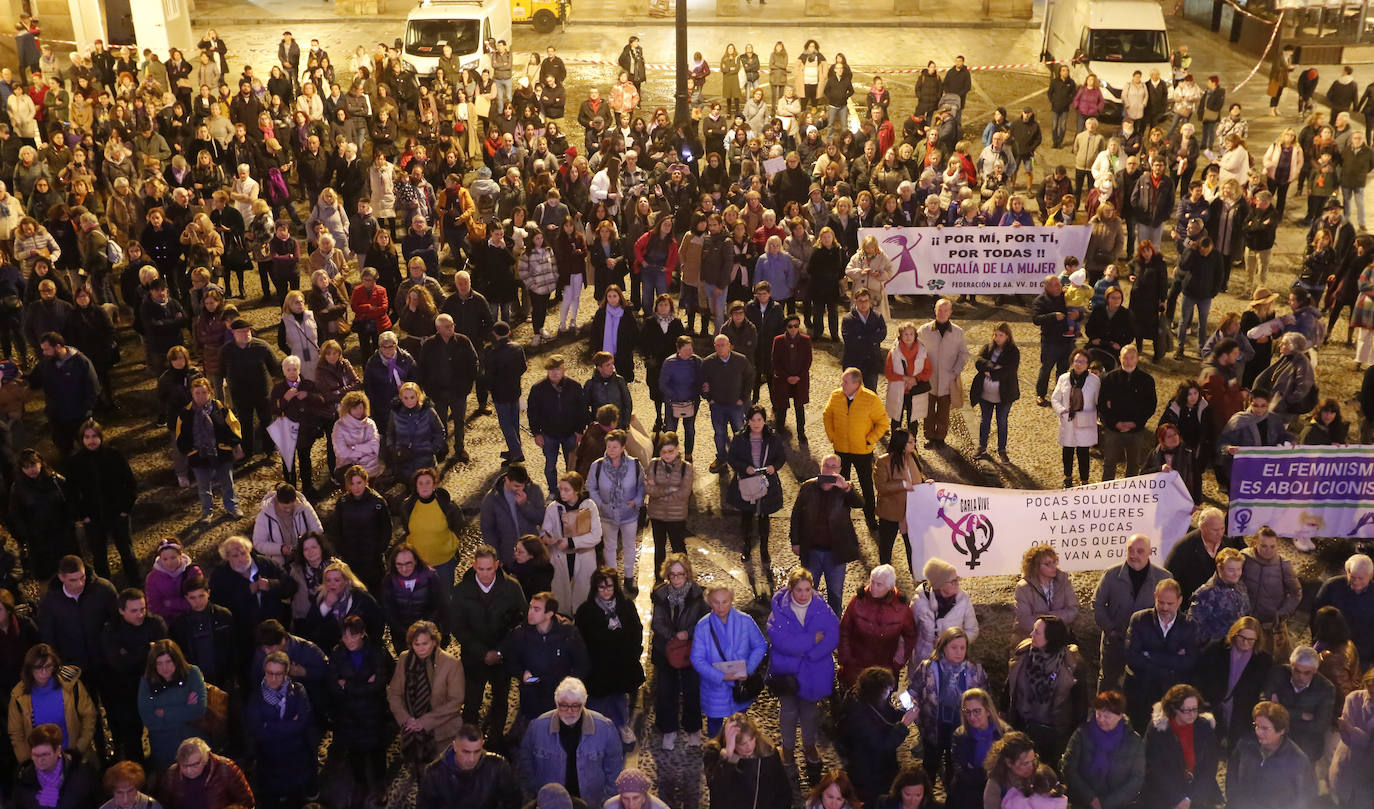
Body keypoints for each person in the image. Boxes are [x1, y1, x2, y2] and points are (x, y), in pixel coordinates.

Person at [766, 568, 839, 779]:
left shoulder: (823, 609)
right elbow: (780, 641)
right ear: (791, 589)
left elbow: (832, 636)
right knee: (788, 712)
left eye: (807, 589)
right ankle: (787, 748)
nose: (803, 594)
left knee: (809, 712)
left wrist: (808, 653)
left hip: (812, 671)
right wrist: (811, 642)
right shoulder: (779, 610)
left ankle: (808, 746)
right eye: (799, 590)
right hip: (787, 673)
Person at [450, 544, 527, 740]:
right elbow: (458, 627)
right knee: (472, 703)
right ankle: (470, 742)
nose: (485, 574)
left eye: (489, 569)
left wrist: (500, 652)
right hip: (473, 659)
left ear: (497, 565)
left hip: (503, 659)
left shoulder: (512, 588)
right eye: (481, 569)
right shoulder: (461, 591)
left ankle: (496, 741)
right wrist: (482, 653)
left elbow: (521, 623)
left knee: (501, 701)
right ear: (474, 566)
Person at [516, 676, 624, 806]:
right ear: (556, 703)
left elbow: (614, 768)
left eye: (575, 706)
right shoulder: (537, 728)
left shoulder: (605, 728)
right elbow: (526, 763)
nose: (569, 711)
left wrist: (606, 802)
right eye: (564, 706)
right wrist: (536, 795)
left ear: (584, 704)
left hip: (591, 803)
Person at [325, 614, 395, 798]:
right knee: (355, 752)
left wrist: (347, 685)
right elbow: (332, 684)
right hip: (348, 714)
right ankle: (360, 784)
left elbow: (379, 683)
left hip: (374, 713)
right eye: (345, 636)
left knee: (378, 751)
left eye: (353, 635)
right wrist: (364, 684)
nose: (349, 640)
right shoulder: (337, 653)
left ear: (362, 634)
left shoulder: (376, 652)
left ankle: (380, 783)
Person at [573, 567, 644, 746]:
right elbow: (582, 639)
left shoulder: (626, 606)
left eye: (609, 587)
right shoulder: (586, 611)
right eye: (602, 587)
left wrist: (633, 652)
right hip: (598, 666)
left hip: (622, 664)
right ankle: (595, 731)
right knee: (597, 703)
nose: (606, 591)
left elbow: (636, 631)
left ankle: (622, 726)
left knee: (620, 699)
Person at [500, 590, 590, 727]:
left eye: (536, 609)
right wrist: (521, 674)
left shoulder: (567, 633)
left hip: (559, 696)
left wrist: (569, 685)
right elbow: (510, 661)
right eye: (530, 607)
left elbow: (582, 663)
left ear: (549, 614)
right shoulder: (521, 634)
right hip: (532, 695)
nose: (530, 612)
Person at [1092, 534, 1170, 692]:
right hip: (1114, 643)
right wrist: (1110, 629)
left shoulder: (1164, 578)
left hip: (1146, 645)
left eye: (1140, 551)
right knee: (1108, 682)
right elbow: (1097, 603)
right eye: (1130, 550)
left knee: (1141, 686)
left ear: (1150, 552)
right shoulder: (1111, 574)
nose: (1134, 555)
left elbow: (1169, 610)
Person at [1007, 615, 1086, 766]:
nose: (1031, 634)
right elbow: (1010, 686)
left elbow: (1080, 706)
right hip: (1023, 727)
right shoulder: (1023, 655)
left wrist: (1076, 737)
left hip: (1055, 735)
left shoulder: (1072, 665)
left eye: (1037, 632)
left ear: (1051, 638)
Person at [692, 582, 768, 737]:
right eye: (716, 602)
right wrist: (720, 676)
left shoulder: (745, 621)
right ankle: (716, 755)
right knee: (714, 726)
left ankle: (738, 755)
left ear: (731, 600)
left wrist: (748, 669)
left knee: (740, 725)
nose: (721, 607)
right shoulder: (703, 626)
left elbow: (760, 645)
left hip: (739, 684)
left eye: (725, 602)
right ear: (709, 602)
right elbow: (697, 658)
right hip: (714, 687)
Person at [386, 619, 465, 768]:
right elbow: (394, 693)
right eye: (416, 644)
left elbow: (455, 701)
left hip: (442, 734)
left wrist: (424, 721)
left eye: (425, 644)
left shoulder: (451, 664)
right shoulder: (404, 659)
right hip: (411, 732)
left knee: (442, 773)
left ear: (434, 642)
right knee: (419, 773)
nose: (421, 649)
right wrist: (406, 719)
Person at [1124, 578, 1200, 731]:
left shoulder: (1189, 625)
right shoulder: (1139, 619)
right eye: (1161, 602)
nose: (1164, 607)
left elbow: (1191, 661)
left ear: (1179, 601)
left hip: (1172, 694)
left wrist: (1151, 655)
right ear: (1155, 597)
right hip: (1142, 691)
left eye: (1170, 603)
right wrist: (1173, 661)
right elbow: (1132, 657)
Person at [650, 553, 707, 751]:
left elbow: (704, 622)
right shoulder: (660, 594)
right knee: (666, 691)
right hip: (666, 650)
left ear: (687, 574)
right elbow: (656, 622)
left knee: (692, 690)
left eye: (680, 574)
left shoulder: (698, 595)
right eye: (672, 575)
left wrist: (687, 633)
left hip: (691, 650)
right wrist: (673, 636)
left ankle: (693, 728)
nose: (676, 579)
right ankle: (669, 729)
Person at [7, 643, 97, 761]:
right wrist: (28, 761)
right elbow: (16, 733)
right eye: (38, 667)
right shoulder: (19, 695)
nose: (44, 672)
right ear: (30, 669)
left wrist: (78, 749)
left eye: (48, 666)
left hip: (73, 758)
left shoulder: (71, 686)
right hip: (40, 762)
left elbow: (89, 716)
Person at [725, 405, 786, 576]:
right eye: (753, 420)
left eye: (759, 419)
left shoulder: (772, 438)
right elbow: (732, 459)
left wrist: (774, 466)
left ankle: (764, 549)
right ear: (748, 421)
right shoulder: (740, 438)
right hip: (747, 482)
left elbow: (781, 457)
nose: (756, 423)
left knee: (764, 517)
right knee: (746, 516)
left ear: (764, 420)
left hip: (767, 482)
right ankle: (747, 546)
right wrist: (745, 468)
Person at [823, 367, 888, 529]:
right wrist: (833, 436)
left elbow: (883, 422)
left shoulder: (871, 399)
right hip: (841, 449)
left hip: (862, 451)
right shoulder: (836, 395)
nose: (841, 384)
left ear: (856, 383)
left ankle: (871, 519)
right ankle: (840, 517)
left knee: (866, 485)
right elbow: (827, 415)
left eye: (845, 382)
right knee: (839, 484)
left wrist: (869, 440)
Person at [1060, 690, 1145, 809]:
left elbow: (1137, 778)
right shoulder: (1082, 733)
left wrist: (1107, 803)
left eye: (1107, 716)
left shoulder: (1133, 741)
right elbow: (1069, 767)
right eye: (1098, 714)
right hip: (1081, 802)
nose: (1101, 719)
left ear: (1120, 716)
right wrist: (1090, 798)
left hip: (1117, 805)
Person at [837, 564, 917, 688]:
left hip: (885, 668)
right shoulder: (858, 601)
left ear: (890, 587)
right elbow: (844, 630)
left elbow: (909, 637)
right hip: (856, 665)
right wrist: (846, 659)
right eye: (872, 582)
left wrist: (897, 662)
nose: (873, 587)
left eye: (879, 584)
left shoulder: (902, 609)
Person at [1225, 702, 1317, 809]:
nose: (1258, 732)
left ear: (1281, 730)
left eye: (1265, 728)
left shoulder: (1297, 760)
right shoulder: (1245, 744)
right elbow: (1232, 773)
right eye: (1256, 726)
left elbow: (1304, 797)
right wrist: (1233, 800)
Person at [586, 430, 644, 592]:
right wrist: (601, 504)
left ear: (623, 447)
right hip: (607, 515)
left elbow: (641, 486)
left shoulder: (634, 465)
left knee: (629, 546)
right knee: (609, 546)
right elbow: (590, 487)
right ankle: (613, 579)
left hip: (629, 514)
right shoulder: (597, 466)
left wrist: (637, 501)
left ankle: (628, 577)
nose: (610, 450)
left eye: (615, 447)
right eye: (609, 446)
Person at [136, 639, 207, 770]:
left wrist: (164, 712)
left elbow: (199, 710)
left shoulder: (192, 673)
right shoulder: (147, 681)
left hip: (193, 740)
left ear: (177, 660)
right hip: (163, 744)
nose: (165, 668)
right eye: (159, 663)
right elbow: (148, 719)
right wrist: (184, 711)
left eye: (169, 661)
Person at [415, 724, 522, 809]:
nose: (472, 759)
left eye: (477, 751)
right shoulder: (434, 773)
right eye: (466, 752)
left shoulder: (497, 766)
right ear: (455, 746)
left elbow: (513, 800)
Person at [1262, 645, 1335, 762]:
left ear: (1315, 671)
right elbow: (1264, 709)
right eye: (1297, 671)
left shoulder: (1325, 688)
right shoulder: (1278, 674)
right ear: (1291, 666)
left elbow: (1320, 726)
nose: (1301, 677)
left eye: (1307, 673)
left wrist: (1280, 713)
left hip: (1305, 748)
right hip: (1275, 742)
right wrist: (1299, 714)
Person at [910, 557, 980, 663]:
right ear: (939, 584)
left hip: (952, 662)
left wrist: (953, 642)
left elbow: (973, 630)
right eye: (952, 581)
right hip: (924, 660)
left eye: (957, 579)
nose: (957, 584)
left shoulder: (963, 600)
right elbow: (909, 631)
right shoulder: (920, 601)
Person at [11, 724, 98, 809]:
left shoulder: (82, 773)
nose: (40, 760)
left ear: (58, 751)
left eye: (45, 754)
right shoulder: (24, 780)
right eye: (35, 755)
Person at [156, 736, 254, 809]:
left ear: (205, 758)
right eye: (184, 766)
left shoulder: (225, 768)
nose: (189, 771)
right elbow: (162, 805)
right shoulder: (172, 774)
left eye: (195, 764)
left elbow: (246, 802)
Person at [1012, 546, 1080, 646]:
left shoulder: (1064, 581)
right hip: (1031, 640)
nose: (1054, 567)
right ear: (1035, 567)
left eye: (1054, 562)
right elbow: (1024, 619)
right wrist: (1055, 621)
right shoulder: (1023, 588)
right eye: (1048, 564)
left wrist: (1042, 618)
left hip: (1060, 639)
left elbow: (1073, 610)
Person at [1314, 553, 1374, 667]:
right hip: (1330, 647)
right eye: (1352, 576)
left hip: (1362, 653)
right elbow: (1317, 616)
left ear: (1370, 576)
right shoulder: (1331, 587)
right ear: (1347, 572)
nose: (1356, 581)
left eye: (1361, 578)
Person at [1051, 349, 1100, 487]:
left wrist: (1096, 416)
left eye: (1083, 361)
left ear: (1087, 364)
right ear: (1072, 362)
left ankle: (1084, 479)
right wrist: (1062, 411)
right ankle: (1068, 476)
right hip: (1069, 420)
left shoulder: (1094, 380)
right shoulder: (1064, 378)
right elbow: (1055, 398)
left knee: (1083, 452)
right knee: (1067, 450)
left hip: (1085, 420)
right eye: (1077, 361)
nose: (1079, 364)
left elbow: (1098, 401)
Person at [1189, 548, 1252, 644]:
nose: (1236, 574)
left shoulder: (1241, 586)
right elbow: (1195, 630)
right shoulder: (1205, 594)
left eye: (1239, 569)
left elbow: (1247, 614)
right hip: (1215, 651)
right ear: (1219, 569)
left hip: (1239, 646)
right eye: (1231, 570)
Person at [1330, 669, 1374, 808]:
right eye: (1370, 691)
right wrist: (1365, 738)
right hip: (1346, 766)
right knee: (1342, 802)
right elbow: (1346, 738)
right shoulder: (1354, 698)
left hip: (1369, 776)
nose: (1372, 695)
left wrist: (1351, 729)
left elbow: (1369, 745)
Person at [983, 731, 1039, 809]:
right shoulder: (996, 784)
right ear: (1009, 762)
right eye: (1025, 764)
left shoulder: (1039, 773)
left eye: (1032, 761)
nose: (1031, 767)